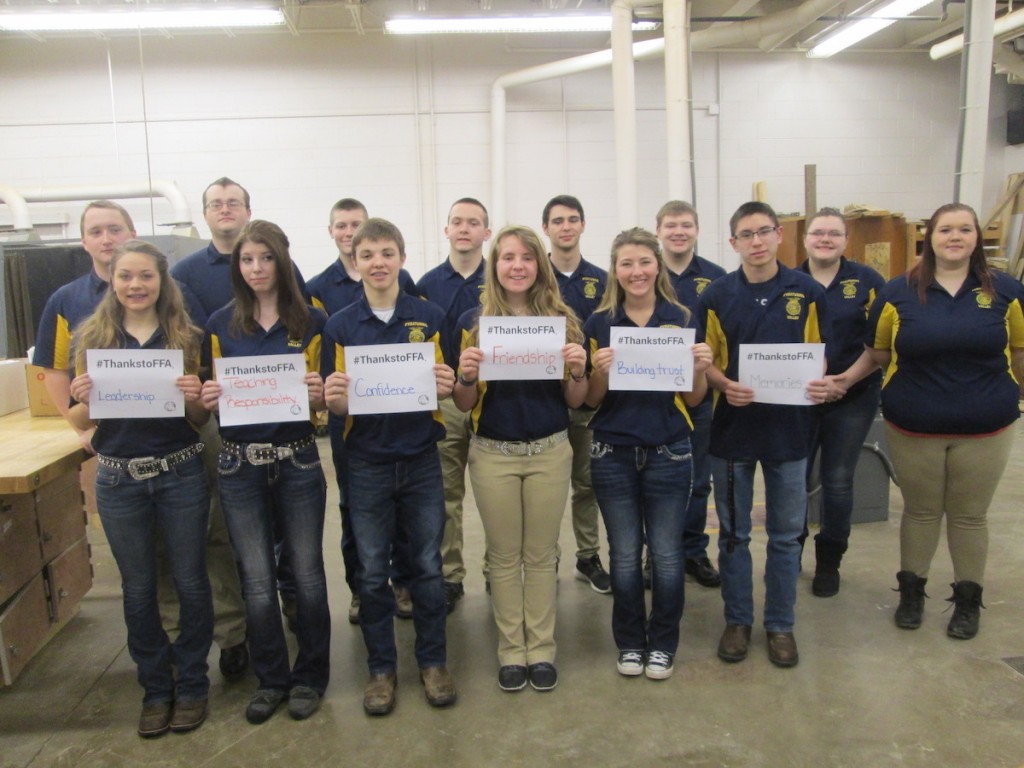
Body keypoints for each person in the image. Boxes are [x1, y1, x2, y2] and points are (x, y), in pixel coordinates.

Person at [831, 203, 1024, 639]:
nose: (955, 237)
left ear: (976, 238)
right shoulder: (897, 293)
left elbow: (1018, 351)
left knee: (969, 516)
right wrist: (847, 380)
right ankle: (912, 594)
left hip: (987, 427)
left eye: (964, 230)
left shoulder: (1007, 291)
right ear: (930, 238)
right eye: (945, 230)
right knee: (920, 511)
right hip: (914, 424)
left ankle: (968, 601)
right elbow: (878, 352)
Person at [67, 240, 212, 737]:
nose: (135, 285)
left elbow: (199, 418)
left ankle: (192, 683)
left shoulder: (186, 337)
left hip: (180, 472)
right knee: (139, 587)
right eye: (125, 276)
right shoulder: (93, 339)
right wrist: (82, 399)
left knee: (190, 581)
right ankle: (155, 688)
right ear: (112, 281)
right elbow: (79, 420)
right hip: (118, 478)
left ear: (162, 281)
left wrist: (194, 396)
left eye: (145, 276)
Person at [323, 218, 457, 716]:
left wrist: (446, 384)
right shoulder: (339, 326)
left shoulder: (430, 316)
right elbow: (338, 407)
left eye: (386, 253)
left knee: (427, 566)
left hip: (421, 459)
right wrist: (335, 399)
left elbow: (448, 388)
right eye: (367, 255)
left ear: (402, 257)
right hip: (367, 464)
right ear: (354, 262)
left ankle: (433, 663)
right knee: (372, 569)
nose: (377, 263)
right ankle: (381, 669)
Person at [200, 220, 331, 723]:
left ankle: (311, 675)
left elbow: (323, 400)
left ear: (282, 260)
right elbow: (211, 398)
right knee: (255, 580)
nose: (256, 268)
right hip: (239, 464)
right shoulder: (219, 325)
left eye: (266, 258)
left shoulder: (312, 321)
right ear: (238, 266)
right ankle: (272, 679)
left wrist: (319, 397)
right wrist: (209, 398)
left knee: (308, 575)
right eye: (247, 259)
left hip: (297, 459)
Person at [453, 224, 589, 693]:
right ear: (495, 266)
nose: (517, 266)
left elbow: (575, 400)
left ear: (540, 265)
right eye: (507, 257)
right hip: (493, 455)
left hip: (550, 451)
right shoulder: (474, 324)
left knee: (542, 555)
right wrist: (465, 376)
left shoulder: (563, 321)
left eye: (527, 258)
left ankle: (542, 649)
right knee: (504, 557)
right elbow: (465, 403)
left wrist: (578, 371)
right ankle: (512, 651)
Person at [697, 201, 831, 669]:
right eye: (746, 235)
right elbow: (705, 360)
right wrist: (723, 384)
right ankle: (737, 620)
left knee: (786, 535)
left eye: (763, 232)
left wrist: (820, 380)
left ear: (779, 236)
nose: (756, 242)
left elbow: (819, 354)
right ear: (733, 243)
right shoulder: (716, 295)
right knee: (733, 535)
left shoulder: (808, 292)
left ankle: (780, 624)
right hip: (733, 434)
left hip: (789, 433)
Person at [584, 227, 712, 680]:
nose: (636, 272)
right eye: (626, 264)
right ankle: (630, 643)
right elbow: (590, 401)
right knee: (623, 555)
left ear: (657, 266)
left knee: (667, 554)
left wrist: (701, 369)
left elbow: (693, 398)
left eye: (644, 262)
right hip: (612, 452)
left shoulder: (681, 318)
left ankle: (662, 644)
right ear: (614, 271)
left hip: (669, 450)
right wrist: (599, 372)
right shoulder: (600, 323)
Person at [307, 197, 420, 624]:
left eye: (356, 223)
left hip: (403, 418)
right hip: (351, 423)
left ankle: (404, 582)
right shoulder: (318, 288)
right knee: (352, 508)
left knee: (404, 509)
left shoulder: (402, 279)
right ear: (333, 233)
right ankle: (361, 588)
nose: (349, 231)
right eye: (342, 225)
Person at [797, 207, 884, 597]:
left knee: (837, 480)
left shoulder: (868, 282)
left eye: (834, 233)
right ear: (805, 239)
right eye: (818, 233)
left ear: (846, 240)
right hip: (798, 398)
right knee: (792, 480)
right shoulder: (789, 282)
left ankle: (829, 562)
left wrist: (844, 381)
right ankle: (789, 554)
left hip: (853, 395)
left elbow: (880, 342)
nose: (825, 239)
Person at [416, 197, 490, 612]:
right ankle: (450, 575)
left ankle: (498, 571)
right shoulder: (426, 284)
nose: (464, 228)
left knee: (497, 491)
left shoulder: (501, 279)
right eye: (457, 222)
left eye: (473, 222)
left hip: (492, 399)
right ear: (446, 230)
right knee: (446, 494)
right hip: (445, 401)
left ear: (486, 232)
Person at [541, 195, 611, 594]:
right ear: (546, 228)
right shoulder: (535, 276)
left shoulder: (603, 280)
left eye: (572, 219)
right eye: (557, 221)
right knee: (547, 488)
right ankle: (545, 557)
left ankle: (588, 556)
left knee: (586, 484)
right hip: (542, 399)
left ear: (583, 225)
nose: (565, 227)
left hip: (586, 397)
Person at [655, 200, 726, 589]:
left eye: (686, 225)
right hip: (652, 393)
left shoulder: (716, 278)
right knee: (652, 482)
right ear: (659, 231)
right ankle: (654, 553)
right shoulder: (644, 272)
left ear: (697, 230)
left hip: (699, 393)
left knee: (699, 480)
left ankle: (694, 551)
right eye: (671, 225)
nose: (678, 232)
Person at [33, 200, 138, 453]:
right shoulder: (65, 300)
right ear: (84, 242)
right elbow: (55, 370)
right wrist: (81, 428)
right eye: (96, 232)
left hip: (169, 439)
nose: (107, 239)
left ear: (132, 235)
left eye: (115, 230)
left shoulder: (171, 294)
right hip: (104, 441)